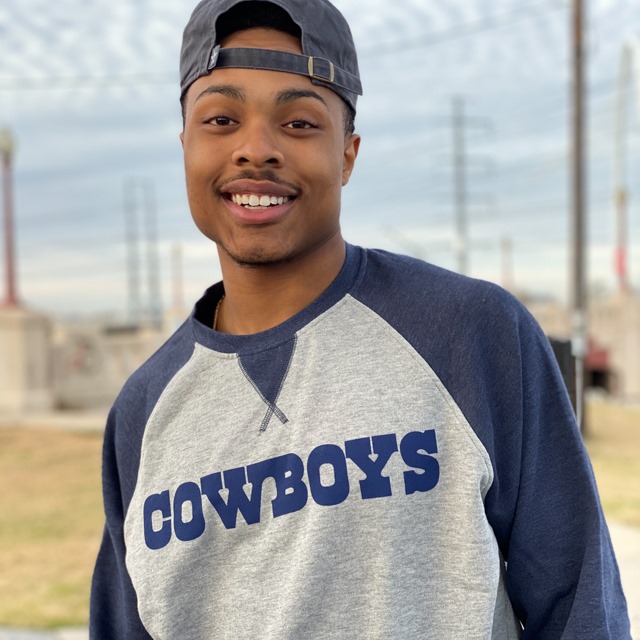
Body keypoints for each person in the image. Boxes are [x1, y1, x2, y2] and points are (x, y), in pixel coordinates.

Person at [89, 0, 632, 637]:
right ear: (186, 146)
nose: (255, 150)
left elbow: (577, 604)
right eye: (221, 120)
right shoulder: (142, 412)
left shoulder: (473, 333)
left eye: (298, 123)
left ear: (347, 155)